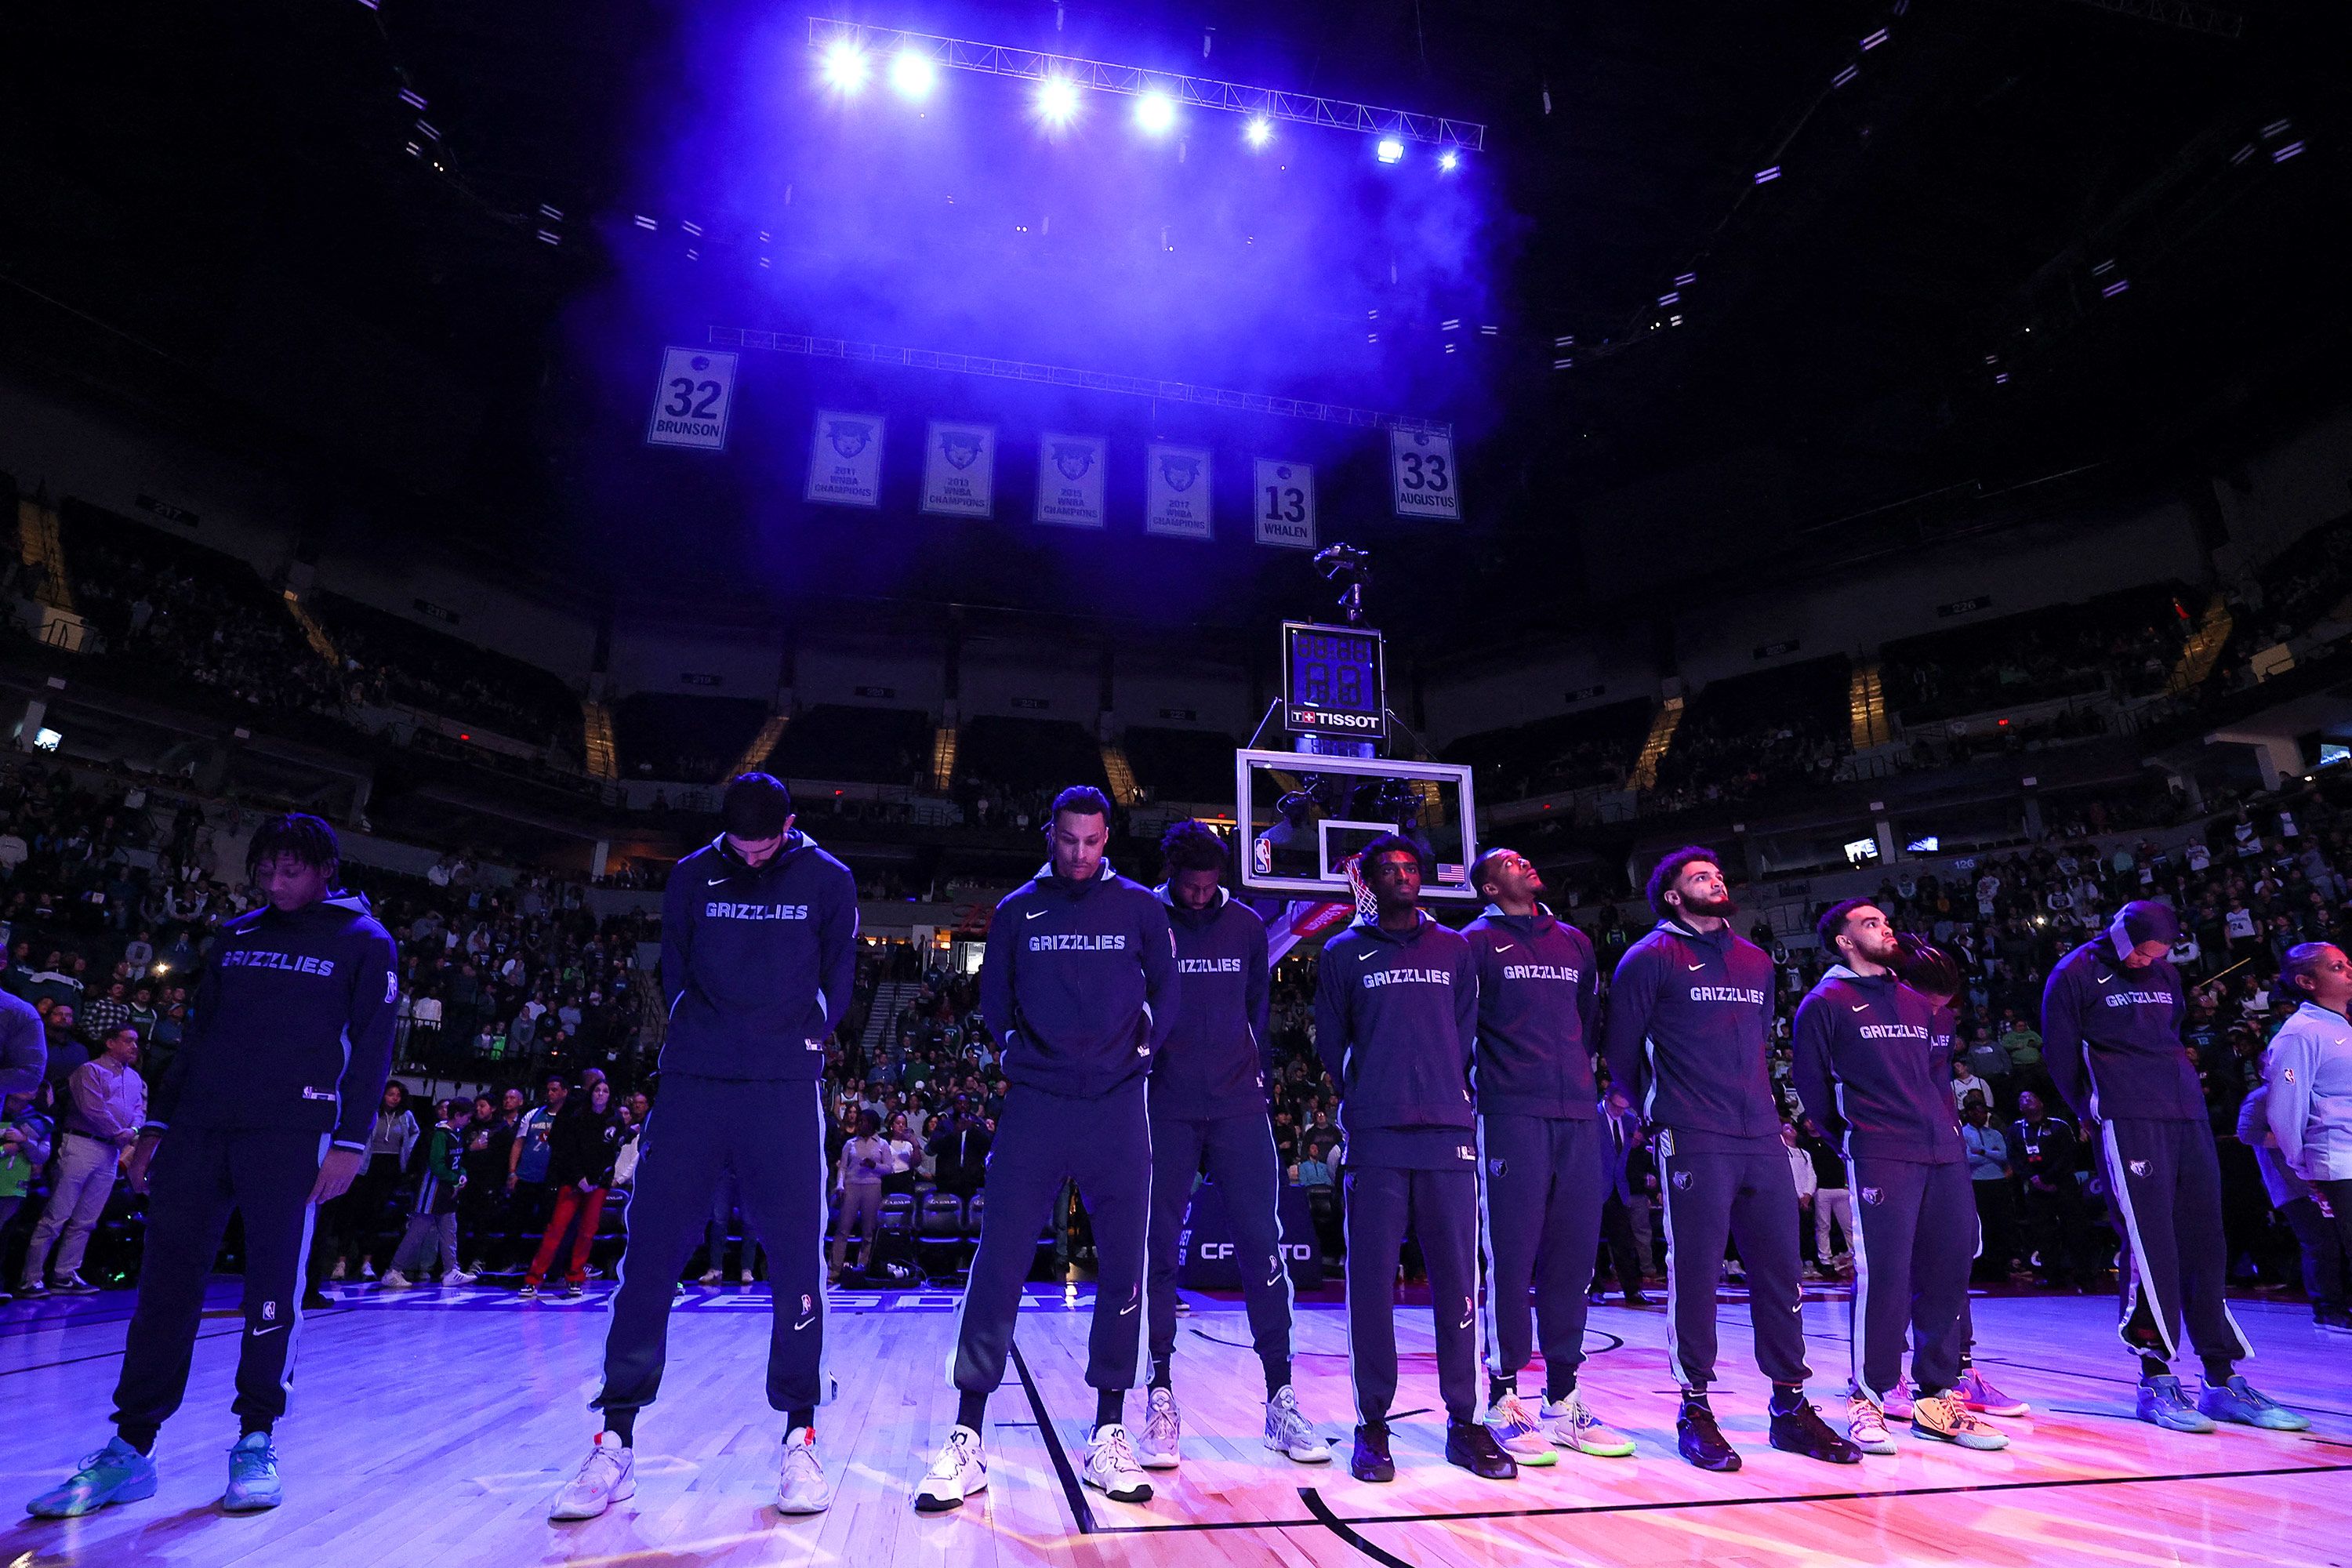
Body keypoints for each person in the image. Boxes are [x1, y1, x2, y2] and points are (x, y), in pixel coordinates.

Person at [26, 813, 398, 1517]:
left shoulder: (364, 942)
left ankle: (256, 1438)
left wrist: (350, 1141)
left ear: (326, 872)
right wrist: (158, 1125)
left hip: (292, 1133)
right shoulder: (238, 935)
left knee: (271, 1287)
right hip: (199, 1129)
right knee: (166, 1285)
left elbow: (374, 1047)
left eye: (292, 871)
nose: (276, 882)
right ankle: (132, 1448)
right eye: (268, 870)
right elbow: (198, 1037)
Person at [554, 774, 858, 1521]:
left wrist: (806, 1037)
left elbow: (840, 977)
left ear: (789, 825)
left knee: (796, 1261)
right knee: (650, 1254)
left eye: (766, 845)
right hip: (693, 1082)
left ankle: (799, 1438)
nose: (753, 858)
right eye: (741, 847)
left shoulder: (828, 878)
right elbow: (675, 972)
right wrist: (704, 1037)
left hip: (782, 1088)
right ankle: (616, 1440)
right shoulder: (693, 874)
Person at [919, 786, 1177, 1513]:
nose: (1080, 853)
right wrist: (1009, 1049)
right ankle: (967, 1435)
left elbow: (1169, 988)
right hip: (1036, 1105)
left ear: (1106, 840)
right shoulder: (1016, 911)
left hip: (1118, 1105)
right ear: (1050, 835)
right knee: (998, 1259)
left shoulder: (1140, 908)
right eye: (1069, 840)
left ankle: (1109, 1430)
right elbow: (994, 998)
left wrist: (1145, 1042)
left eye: (1093, 842)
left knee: (1124, 1264)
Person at [1602, 846, 1857, 1472]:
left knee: (1781, 1274)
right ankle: (1695, 1407)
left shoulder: (1755, 960)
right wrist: (1660, 1116)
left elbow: (1755, 1039)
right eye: (1699, 878)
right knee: (1695, 1275)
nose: (1714, 882)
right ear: (1672, 896)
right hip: (1692, 1135)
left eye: (1716, 875)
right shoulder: (1648, 957)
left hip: (1761, 1137)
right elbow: (1623, 1052)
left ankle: (1789, 1408)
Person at [2042, 900, 2307, 1433]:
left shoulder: (2164, 971)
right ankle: (2156, 1379)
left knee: (2207, 1242)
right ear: (2121, 936)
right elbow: (2060, 1053)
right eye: (2140, 951)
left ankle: (2221, 1379)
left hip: (2185, 1112)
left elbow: (2173, 1032)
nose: (2146, 962)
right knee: (2149, 1246)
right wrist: (2090, 1111)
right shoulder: (2073, 973)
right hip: (2126, 1116)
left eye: (2157, 954)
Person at [1316, 835, 1515, 1484]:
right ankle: (1373, 1424)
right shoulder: (1344, 951)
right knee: (1370, 1286)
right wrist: (1372, 1092)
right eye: (1391, 870)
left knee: (1459, 1281)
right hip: (1375, 1134)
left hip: (1448, 1133)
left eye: (1412, 868)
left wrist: (1437, 1087)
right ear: (1371, 883)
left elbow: (1463, 1033)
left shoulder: (1454, 948)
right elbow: (1332, 1042)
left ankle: (1466, 1421)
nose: (1404, 875)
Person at [1135, 820, 1327, 1471]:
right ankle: (1160, 1394)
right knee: (1157, 1249)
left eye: (1208, 884)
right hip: (1164, 1105)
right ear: (1171, 876)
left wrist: (1255, 1076)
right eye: (1188, 885)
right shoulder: (1142, 914)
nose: (1198, 895)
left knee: (1261, 1246)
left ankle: (1280, 1398)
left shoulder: (1246, 924)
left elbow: (1255, 1008)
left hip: (1238, 1106)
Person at [1792, 905, 2005, 1457]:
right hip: (1880, 1150)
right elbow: (1813, 1086)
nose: (1884, 927)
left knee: (1949, 1271)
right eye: (1869, 923)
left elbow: (1935, 1077)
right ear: (1843, 941)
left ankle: (1937, 1397)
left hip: (1944, 1152)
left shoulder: (1919, 998)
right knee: (1885, 1275)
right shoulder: (1825, 1003)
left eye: (1885, 921)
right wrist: (1853, 1137)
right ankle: (1867, 1395)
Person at [1461, 847, 1632, 1464]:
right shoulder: (1473, 944)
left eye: (1527, 857)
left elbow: (1586, 1022)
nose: (1527, 862)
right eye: (1509, 861)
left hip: (1576, 1114)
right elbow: (1462, 1030)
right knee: (1511, 1256)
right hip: (1509, 1115)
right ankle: (1503, 1394)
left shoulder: (1574, 943)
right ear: (1486, 885)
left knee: (1574, 1257)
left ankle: (1564, 1398)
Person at [2262, 942, 2352, 1323]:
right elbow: (2285, 1109)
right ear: (2306, 981)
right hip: (2338, 1160)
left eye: (2348, 964)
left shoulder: (2341, 1025)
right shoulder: (2300, 1034)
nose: (2349, 971)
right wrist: (2303, 1166)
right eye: (2337, 967)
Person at [20, 1022, 145, 1295]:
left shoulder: (136, 1079)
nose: (134, 1046)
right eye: (128, 1040)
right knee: (57, 1215)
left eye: (136, 1041)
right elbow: (92, 1108)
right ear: (110, 1042)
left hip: (110, 1151)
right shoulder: (90, 1070)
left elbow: (140, 1110)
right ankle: (31, 1277)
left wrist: (132, 1131)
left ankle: (65, 1274)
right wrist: (120, 1132)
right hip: (81, 1144)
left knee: (87, 1219)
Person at [524, 1073, 623, 1299]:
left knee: (588, 1232)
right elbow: (568, 1151)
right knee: (556, 1229)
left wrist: (596, 1180)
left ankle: (575, 1277)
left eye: (605, 1091)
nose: (600, 1094)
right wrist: (579, 1177)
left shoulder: (615, 1120)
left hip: (598, 1184)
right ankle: (533, 1278)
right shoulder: (577, 1115)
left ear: (610, 1096)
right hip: (573, 1181)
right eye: (597, 1090)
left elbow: (611, 1154)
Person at [384, 1098, 474, 1287]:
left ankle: (451, 1270)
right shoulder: (439, 1134)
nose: (469, 1121)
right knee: (417, 1233)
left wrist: (462, 1174)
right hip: (431, 1193)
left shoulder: (456, 1134)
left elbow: (459, 1161)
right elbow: (436, 1165)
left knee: (450, 1231)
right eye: (467, 1117)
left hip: (446, 1193)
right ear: (457, 1115)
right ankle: (394, 1270)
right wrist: (455, 1178)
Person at [2009, 1091, 2083, 1289]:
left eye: (2031, 1097)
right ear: (2019, 1108)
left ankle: (2084, 1275)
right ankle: (2052, 1277)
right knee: (2044, 1233)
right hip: (2036, 1188)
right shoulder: (2016, 1130)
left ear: (2041, 1102)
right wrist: (2034, 1179)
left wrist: (2049, 1178)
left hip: (2063, 1184)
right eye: (2022, 1099)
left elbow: (2069, 1154)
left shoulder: (2059, 1125)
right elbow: (2015, 1159)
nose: (2026, 1100)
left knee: (2074, 1229)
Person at [829, 1109, 894, 1281]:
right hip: (851, 1187)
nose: (861, 1124)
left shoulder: (883, 1144)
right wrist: (840, 1186)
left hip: (872, 1187)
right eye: (860, 1121)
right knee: (843, 1229)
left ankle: (862, 1269)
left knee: (868, 1232)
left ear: (872, 1124)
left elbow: (889, 1168)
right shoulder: (850, 1144)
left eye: (864, 1121)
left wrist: (874, 1166)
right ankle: (834, 1271)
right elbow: (842, 1167)